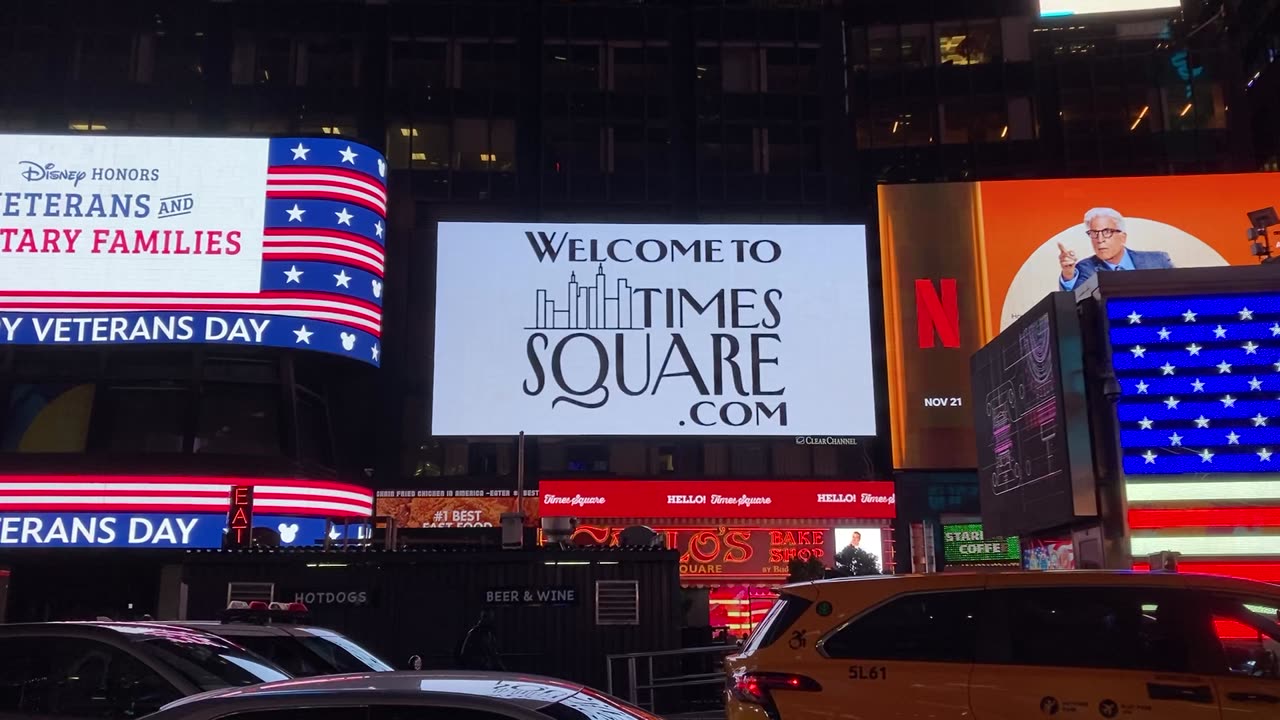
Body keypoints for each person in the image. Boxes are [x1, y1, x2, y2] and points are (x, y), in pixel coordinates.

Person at [1057, 207, 1174, 290]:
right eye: (1094, 233)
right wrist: (1068, 274)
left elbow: (1179, 294)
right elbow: (1074, 303)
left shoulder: (1158, 261)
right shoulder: (1086, 268)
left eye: (1107, 232)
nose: (1099, 239)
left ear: (1123, 237)